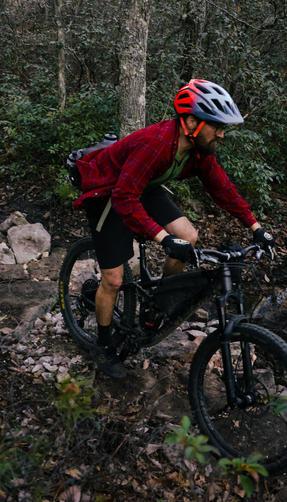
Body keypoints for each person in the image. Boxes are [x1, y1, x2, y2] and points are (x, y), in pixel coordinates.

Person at [73, 79, 276, 379]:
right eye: (216, 126)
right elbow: (124, 197)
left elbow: (223, 189)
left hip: (142, 186)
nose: (222, 133)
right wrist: (163, 238)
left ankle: (158, 303)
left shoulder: (197, 151)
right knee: (114, 280)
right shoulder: (156, 144)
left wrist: (256, 228)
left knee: (189, 237)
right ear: (191, 122)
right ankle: (103, 345)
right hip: (110, 191)